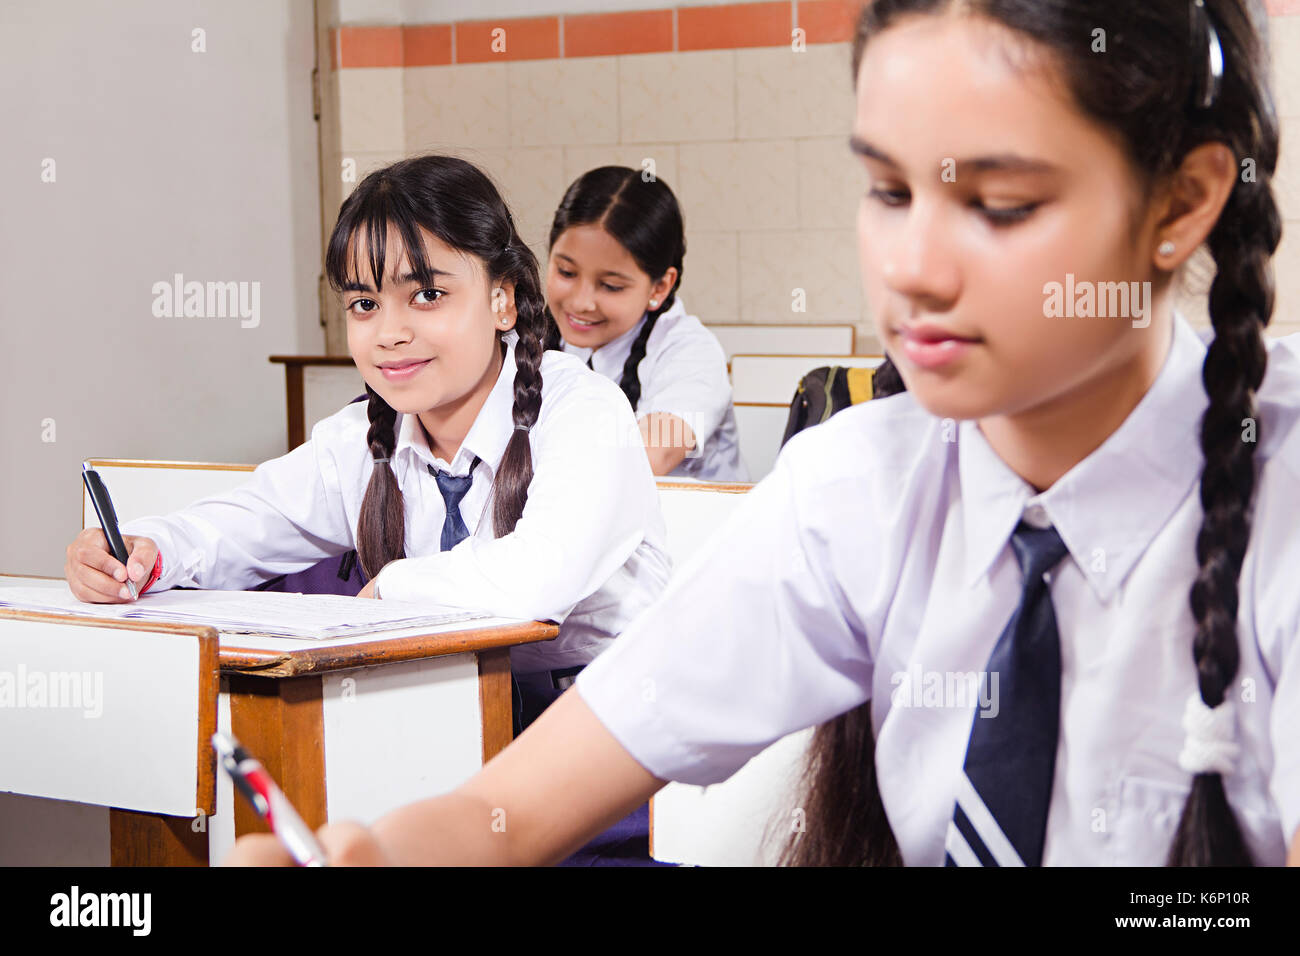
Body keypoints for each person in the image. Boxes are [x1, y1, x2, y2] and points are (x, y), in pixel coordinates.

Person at [225, 0, 1300, 866]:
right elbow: (509, 811)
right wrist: (374, 851)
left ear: (1183, 201)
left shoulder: (1278, 493)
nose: (911, 268)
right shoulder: (853, 487)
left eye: (1001, 203)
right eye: (886, 188)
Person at [64, 155, 671, 736]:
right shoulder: (364, 436)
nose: (390, 334)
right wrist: (149, 552)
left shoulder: (583, 413)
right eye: (364, 304)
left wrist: (390, 590)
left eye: (428, 295)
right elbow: (249, 520)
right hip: (452, 724)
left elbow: (538, 578)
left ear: (502, 299)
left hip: (617, 738)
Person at [544, 167, 747, 481]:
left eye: (611, 286)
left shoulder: (691, 352)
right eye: (566, 273)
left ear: (659, 287)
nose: (581, 302)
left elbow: (648, 457)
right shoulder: (530, 338)